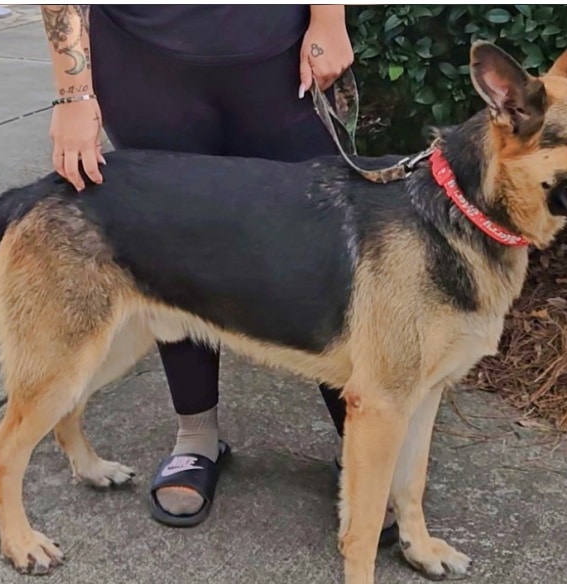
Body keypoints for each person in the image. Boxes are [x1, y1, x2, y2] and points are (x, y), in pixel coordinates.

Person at [40, 5, 396, 541]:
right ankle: (196, 437)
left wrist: (328, 18)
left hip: (277, 49)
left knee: (316, 245)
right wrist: (73, 92)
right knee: (176, 246)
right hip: (143, 58)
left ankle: (360, 442)